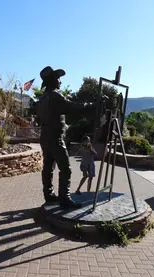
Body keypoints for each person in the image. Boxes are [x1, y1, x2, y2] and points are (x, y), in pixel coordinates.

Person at [35, 66, 95, 209]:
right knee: (66, 169)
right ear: (52, 81)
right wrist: (90, 105)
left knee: (48, 167)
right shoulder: (55, 96)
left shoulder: (42, 98)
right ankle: (65, 198)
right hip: (55, 137)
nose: (60, 81)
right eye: (58, 78)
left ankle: (49, 195)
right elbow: (72, 107)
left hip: (45, 136)